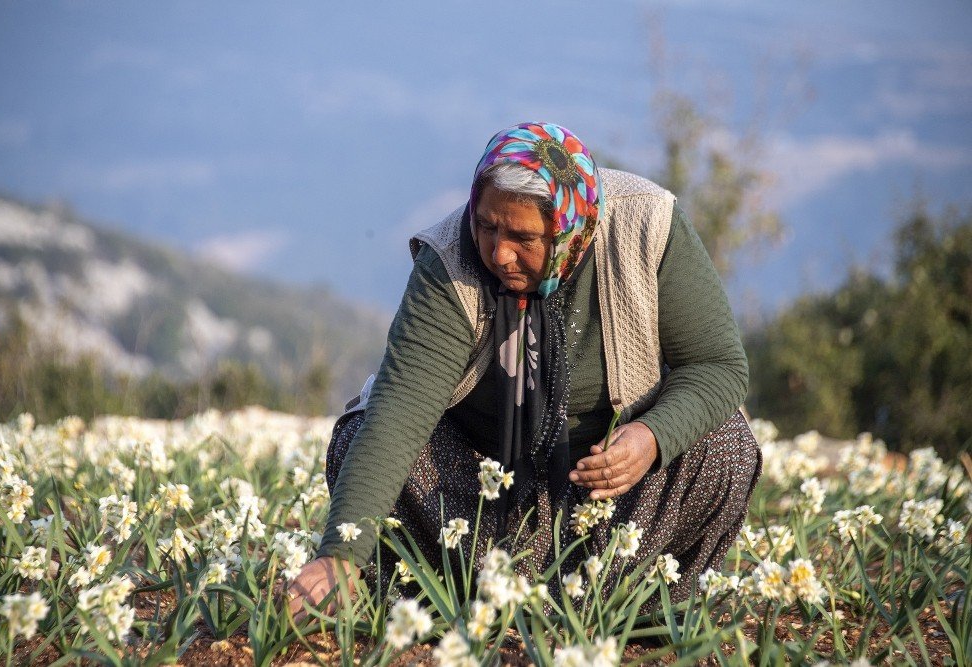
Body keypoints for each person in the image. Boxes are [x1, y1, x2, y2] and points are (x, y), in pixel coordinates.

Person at [286, 122, 761, 615]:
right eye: (486, 225)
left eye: (524, 237)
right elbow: (399, 412)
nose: (498, 252)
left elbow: (718, 366)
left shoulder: (645, 225)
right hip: (483, 505)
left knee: (723, 441)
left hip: (615, 504)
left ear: (571, 230)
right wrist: (339, 557)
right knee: (358, 432)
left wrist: (651, 437)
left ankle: (642, 605)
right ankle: (474, 596)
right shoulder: (450, 262)